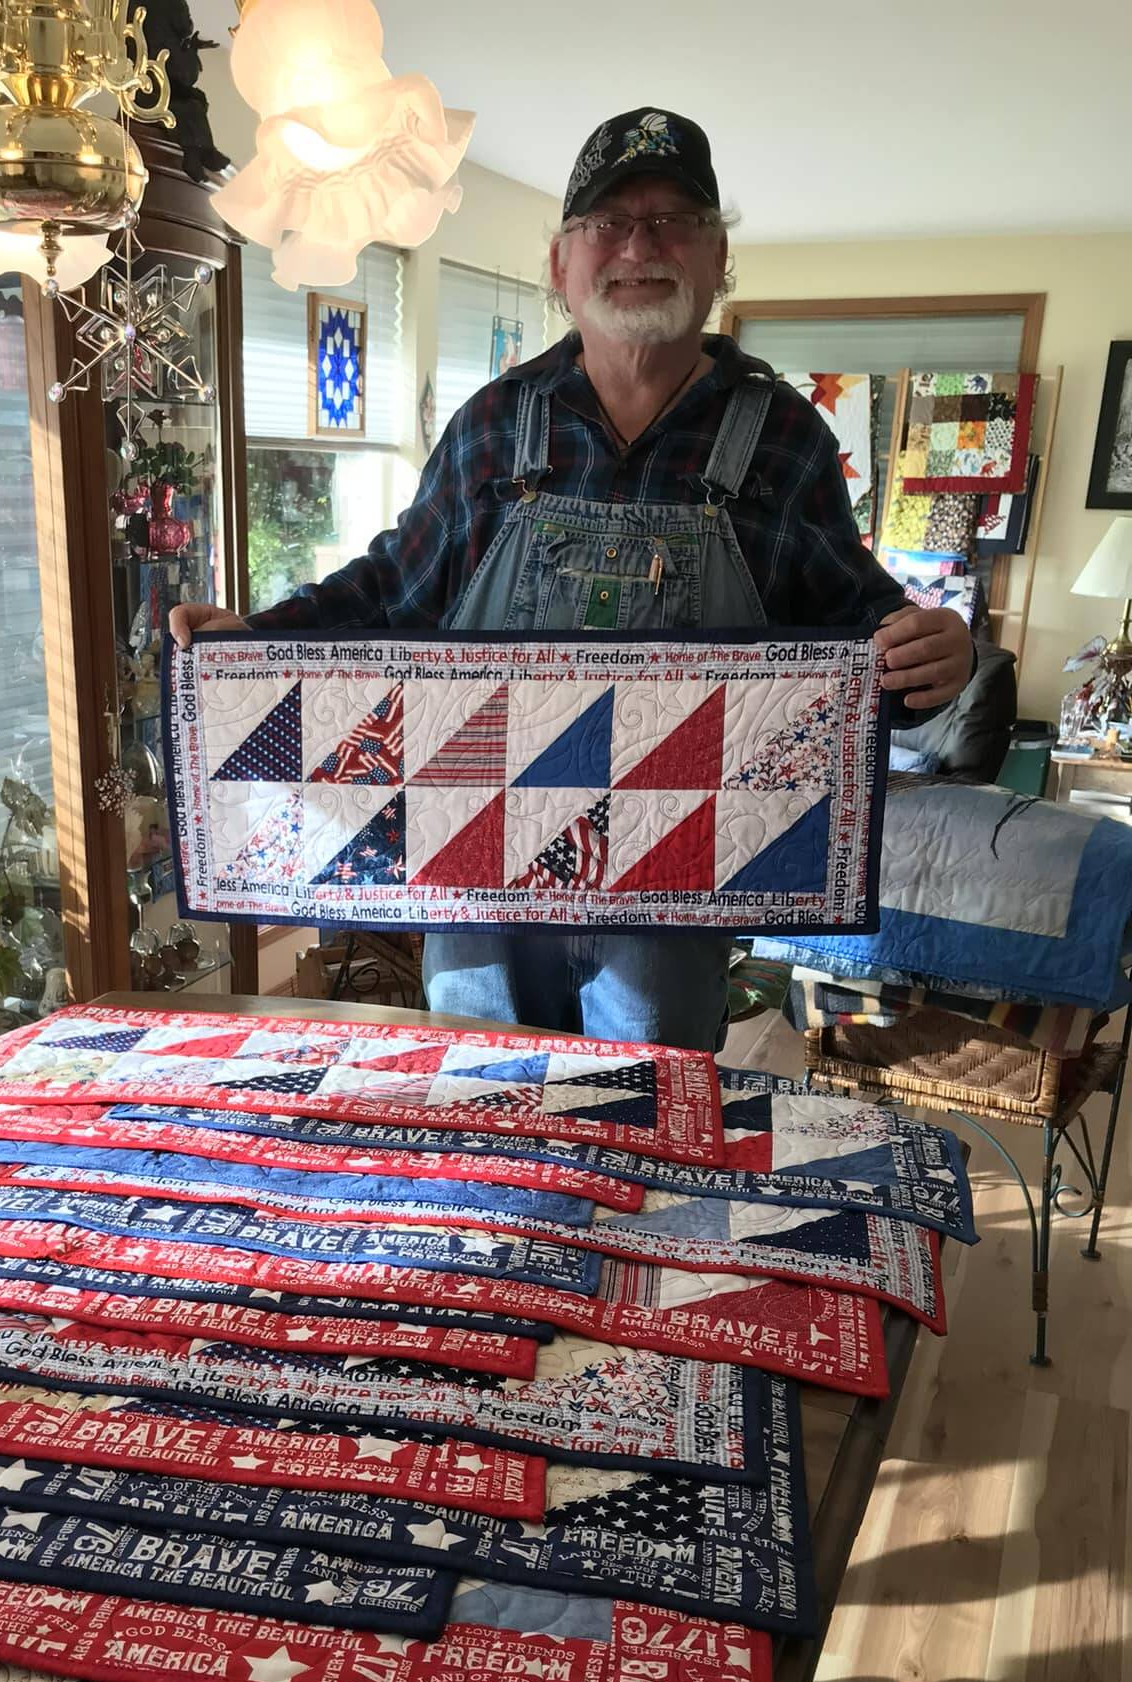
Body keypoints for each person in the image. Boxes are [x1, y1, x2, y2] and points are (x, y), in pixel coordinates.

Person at [171, 107, 973, 1050]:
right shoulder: (495, 424)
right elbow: (395, 588)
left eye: (674, 219)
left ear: (719, 260)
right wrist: (254, 645)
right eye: (608, 223)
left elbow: (863, 635)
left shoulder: (784, 438)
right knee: (487, 1119)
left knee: (640, 1144)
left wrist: (936, 652)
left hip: (676, 898)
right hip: (477, 885)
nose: (640, 244)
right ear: (562, 265)